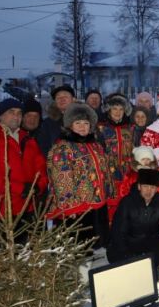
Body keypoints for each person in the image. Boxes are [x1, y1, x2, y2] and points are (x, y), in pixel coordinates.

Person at [0, 98, 48, 239]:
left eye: (19, 113)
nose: (16, 116)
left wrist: (39, 186)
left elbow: (40, 166)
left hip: (29, 205)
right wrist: (20, 189)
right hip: (3, 208)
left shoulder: (26, 139)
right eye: (11, 112)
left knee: (32, 251)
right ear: (1, 116)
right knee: (9, 253)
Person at [47, 101, 116, 248]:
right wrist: (69, 207)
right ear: (70, 125)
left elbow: (105, 171)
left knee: (99, 244)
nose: (82, 127)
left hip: (98, 203)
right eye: (78, 123)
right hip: (78, 208)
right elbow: (62, 180)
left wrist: (109, 193)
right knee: (81, 247)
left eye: (85, 123)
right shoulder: (63, 148)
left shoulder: (95, 145)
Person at [107, 168, 159, 270]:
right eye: (145, 186)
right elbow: (118, 231)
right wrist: (126, 253)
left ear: (157, 189)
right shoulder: (127, 202)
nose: (148, 191)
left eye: (152, 187)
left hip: (152, 241)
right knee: (121, 257)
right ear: (139, 186)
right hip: (130, 241)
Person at [97, 93, 134, 192]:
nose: (118, 112)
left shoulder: (130, 128)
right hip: (108, 173)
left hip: (127, 172)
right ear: (109, 110)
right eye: (114, 108)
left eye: (121, 109)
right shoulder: (100, 128)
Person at [115, 146, 159, 219]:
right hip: (135, 205)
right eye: (143, 159)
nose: (146, 162)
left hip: (151, 204)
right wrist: (127, 203)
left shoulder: (154, 173)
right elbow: (124, 189)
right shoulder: (132, 175)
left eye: (148, 159)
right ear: (138, 161)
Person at [38, 84, 76, 156]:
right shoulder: (47, 124)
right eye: (58, 97)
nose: (62, 99)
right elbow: (43, 148)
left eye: (65, 96)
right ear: (55, 102)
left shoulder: (84, 118)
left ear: (73, 99)